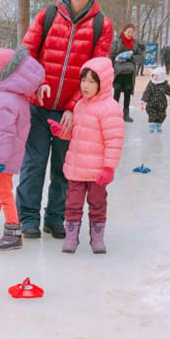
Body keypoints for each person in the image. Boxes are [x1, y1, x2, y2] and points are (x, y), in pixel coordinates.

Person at [18, 0, 113, 240]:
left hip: (72, 111)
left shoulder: (101, 25)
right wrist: (38, 81)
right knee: (33, 163)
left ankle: (56, 218)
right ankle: (28, 218)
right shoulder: (47, 15)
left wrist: (73, 106)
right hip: (37, 105)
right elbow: (26, 53)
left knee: (64, 167)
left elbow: (98, 69)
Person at [0, 48, 45, 252]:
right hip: (1, 157)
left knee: (3, 193)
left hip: (1, 158)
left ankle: (13, 231)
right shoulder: (9, 96)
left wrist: (0, 160)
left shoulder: (5, 100)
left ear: (2, 72)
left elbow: (6, 134)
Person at [61, 57, 124, 255]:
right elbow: (76, 134)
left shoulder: (110, 108)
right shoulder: (80, 105)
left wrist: (108, 168)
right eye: (83, 80)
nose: (85, 85)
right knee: (73, 203)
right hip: (77, 167)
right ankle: (71, 236)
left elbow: (114, 141)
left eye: (91, 81)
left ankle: (97, 238)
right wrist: (61, 131)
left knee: (97, 204)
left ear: (102, 83)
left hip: (97, 171)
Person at [140, 66, 170, 133]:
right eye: (153, 76)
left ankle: (158, 124)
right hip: (151, 103)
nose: (155, 77)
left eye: (157, 76)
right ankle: (151, 125)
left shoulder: (164, 85)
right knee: (152, 114)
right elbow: (147, 92)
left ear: (161, 77)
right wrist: (143, 101)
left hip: (162, 103)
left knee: (161, 115)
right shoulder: (151, 84)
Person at [110, 23, 137, 122]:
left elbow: (140, 56)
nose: (130, 34)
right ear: (124, 31)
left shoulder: (135, 44)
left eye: (132, 32)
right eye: (128, 31)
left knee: (127, 94)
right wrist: (112, 68)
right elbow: (111, 56)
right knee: (116, 94)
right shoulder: (117, 43)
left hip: (129, 73)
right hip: (118, 73)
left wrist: (131, 57)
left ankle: (126, 114)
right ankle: (113, 114)